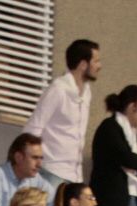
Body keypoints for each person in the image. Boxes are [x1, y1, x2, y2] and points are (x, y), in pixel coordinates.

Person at [24, 37, 100, 183]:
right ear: (83, 64)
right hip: (52, 170)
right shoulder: (58, 89)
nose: (99, 66)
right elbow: (34, 128)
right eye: (96, 61)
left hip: (75, 174)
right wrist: (34, 164)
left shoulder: (87, 92)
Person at [0, 132, 55, 206]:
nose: (39, 165)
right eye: (35, 158)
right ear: (18, 157)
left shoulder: (37, 180)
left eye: (41, 158)